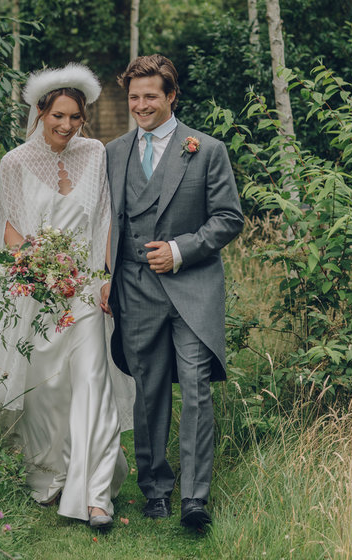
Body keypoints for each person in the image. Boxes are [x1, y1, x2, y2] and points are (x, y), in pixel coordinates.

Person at [0, 63, 134, 530]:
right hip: (39, 294)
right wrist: (43, 268)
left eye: (75, 117)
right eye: (58, 116)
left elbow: (106, 220)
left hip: (85, 291)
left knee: (92, 385)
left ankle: (96, 495)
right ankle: (51, 473)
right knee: (45, 392)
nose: (67, 125)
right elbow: (11, 231)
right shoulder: (15, 163)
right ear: (40, 112)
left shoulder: (96, 154)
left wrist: (105, 278)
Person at [100, 54, 243, 529]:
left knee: (197, 390)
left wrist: (181, 250)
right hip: (135, 289)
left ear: (171, 96)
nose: (141, 106)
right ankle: (156, 489)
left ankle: (194, 499)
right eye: (134, 97)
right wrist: (105, 276)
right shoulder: (114, 151)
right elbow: (108, 220)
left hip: (193, 288)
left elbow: (228, 218)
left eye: (151, 97)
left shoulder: (206, 149)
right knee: (150, 392)